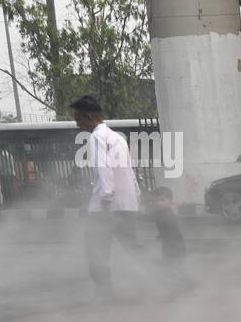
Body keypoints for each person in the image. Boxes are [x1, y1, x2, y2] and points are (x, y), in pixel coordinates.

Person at [72, 95, 145, 302]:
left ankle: (105, 293)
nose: (78, 124)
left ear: (89, 116)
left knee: (95, 252)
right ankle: (168, 280)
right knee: (134, 248)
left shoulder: (97, 138)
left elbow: (105, 171)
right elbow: (131, 172)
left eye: (79, 119)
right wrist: (136, 198)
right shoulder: (118, 138)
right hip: (126, 204)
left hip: (106, 208)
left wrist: (105, 200)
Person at [147, 186, 194, 296]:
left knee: (174, 269)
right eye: (156, 201)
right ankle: (186, 289)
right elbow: (150, 219)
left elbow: (172, 231)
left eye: (162, 200)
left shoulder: (167, 215)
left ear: (170, 202)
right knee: (175, 269)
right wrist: (161, 235)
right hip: (170, 247)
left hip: (175, 248)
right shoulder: (160, 213)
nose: (158, 203)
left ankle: (183, 290)